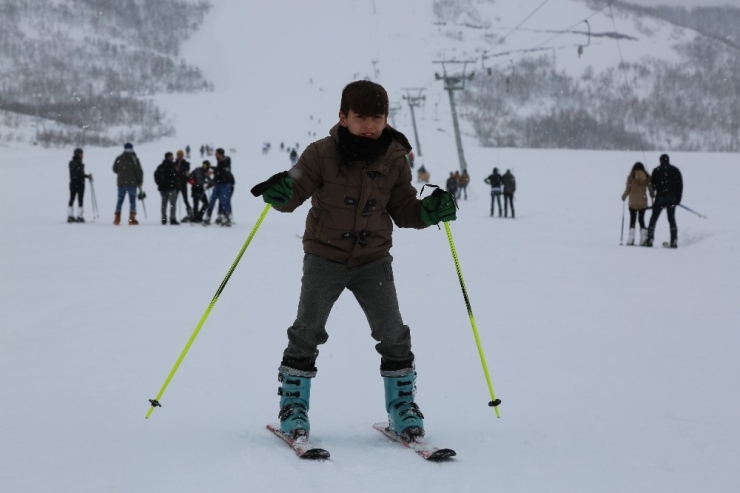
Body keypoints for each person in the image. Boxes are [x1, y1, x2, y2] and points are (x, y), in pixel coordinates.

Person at [251, 80, 457, 442]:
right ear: (343, 117)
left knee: (393, 332)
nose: (370, 125)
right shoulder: (319, 154)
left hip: (373, 260)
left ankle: (401, 407)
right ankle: (293, 406)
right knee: (307, 331)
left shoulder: (394, 158)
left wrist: (428, 212)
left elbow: (403, 209)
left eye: (377, 117)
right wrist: (279, 192)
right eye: (361, 117)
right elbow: (293, 191)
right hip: (324, 258)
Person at [646, 154, 683, 248]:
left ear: (660, 160)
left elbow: (652, 186)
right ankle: (674, 240)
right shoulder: (675, 170)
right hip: (672, 199)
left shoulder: (657, 170)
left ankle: (650, 238)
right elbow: (680, 185)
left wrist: (652, 191)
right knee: (671, 218)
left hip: (660, 198)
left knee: (653, 218)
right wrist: (678, 199)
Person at [621, 162, 654, 245]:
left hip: (633, 202)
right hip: (642, 202)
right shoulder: (647, 178)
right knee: (641, 219)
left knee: (632, 219)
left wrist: (624, 196)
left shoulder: (631, 177)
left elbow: (628, 190)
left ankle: (631, 239)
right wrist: (652, 195)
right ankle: (643, 239)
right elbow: (651, 190)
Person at [112, 142, 143, 225]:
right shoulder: (134, 159)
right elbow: (139, 171)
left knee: (120, 201)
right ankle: (131, 219)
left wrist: (122, 173)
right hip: (132, 184)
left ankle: (117, 218)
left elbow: (114, 169)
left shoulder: (119, 158)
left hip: (121, 183)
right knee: (132, 201)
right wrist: (140, 181)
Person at [203, 148, 235, 226]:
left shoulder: (227, 161)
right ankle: (208, 217)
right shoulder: (219, 163)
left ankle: (227, 217)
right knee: (212, 201)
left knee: (224, 202)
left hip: (226, 184)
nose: (215, 155)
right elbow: (218, 176)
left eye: (216, 154)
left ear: (221, 154)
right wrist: (210, 184)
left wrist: (213, 171)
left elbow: (223, 171)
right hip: (218, 184)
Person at [67, 148, 92, 223]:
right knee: (80, 199)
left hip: (72, 183)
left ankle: (70, 216)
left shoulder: (71, 163)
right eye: (81, 154)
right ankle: (79, 216)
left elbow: (75, 173)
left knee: (72, 198)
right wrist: (88, 176)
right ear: (79, 154)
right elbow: (80, 174)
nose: (82, 155)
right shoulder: (79, 163)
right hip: (80, 183)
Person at [154, 152, 179, 225]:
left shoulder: (160, 166)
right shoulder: (172, 166)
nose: (172, 158)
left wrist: (159, 183)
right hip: (171, 187)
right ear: (168, 157)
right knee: (172, 203)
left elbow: (156, 175)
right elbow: (174, 176)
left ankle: (164, 218)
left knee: (164, 203)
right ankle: (172, 218)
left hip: (162, 188)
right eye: (171, 156)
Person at [174, 150, 194, 220]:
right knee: (174, 200)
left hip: (183, 183)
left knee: (185, 199)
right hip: (176, 184)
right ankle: (172, 215)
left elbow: (187, 171)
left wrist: (179, 169)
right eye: (179, 155)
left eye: (181, 155)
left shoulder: (185, 163)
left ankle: (190, 213)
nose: (180, 156)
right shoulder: (175, 163)